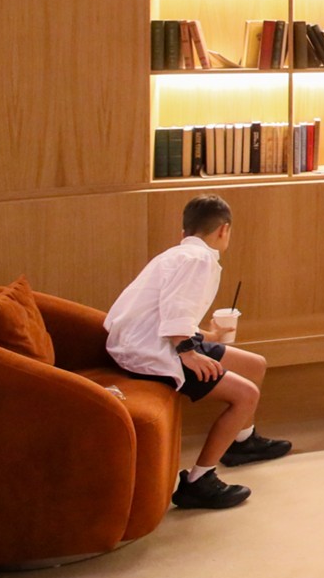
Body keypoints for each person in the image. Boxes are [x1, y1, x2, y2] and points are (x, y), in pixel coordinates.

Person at [104, 194, 291, 510]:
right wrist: (189, 353)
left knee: (254, 365)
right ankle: (199, 481)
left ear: (185, 231)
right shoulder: (199, 260)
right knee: (246, 395)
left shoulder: (175, 255)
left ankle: (242, 441)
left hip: (142, 343)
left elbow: (165, 314)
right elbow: (175, 311)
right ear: (224, 230)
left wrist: (209, 336)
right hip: (151, 354)